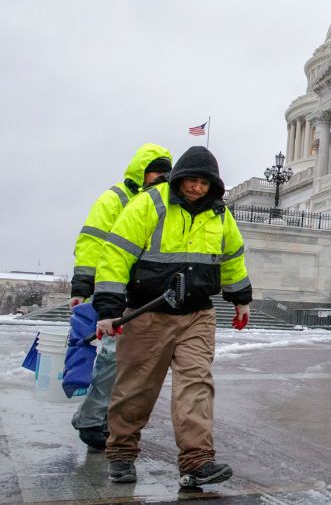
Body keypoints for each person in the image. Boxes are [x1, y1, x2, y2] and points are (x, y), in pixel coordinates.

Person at [92, 146, 252, 487]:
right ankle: (121, 453)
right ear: (179, 177)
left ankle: (197, 461)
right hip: (147, 314)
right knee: (137, 388)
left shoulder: (221, 215)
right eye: (191, 180)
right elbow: (116, 255)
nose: (196, 188)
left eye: (204, 183)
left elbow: (233, 259)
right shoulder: (149, 204)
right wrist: (108, 307)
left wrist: (241, 299)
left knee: (196, 386)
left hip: (197, 315)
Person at [69, 144, 173, 452]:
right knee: (114, 356)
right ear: (141, 172)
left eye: (167, 173)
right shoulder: (114, 199)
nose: (162, 178)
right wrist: (82, 288)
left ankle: (92, 415)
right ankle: (91, 420)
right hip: (112, 288)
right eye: (157, 172)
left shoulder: (160, 203)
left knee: (125, 360)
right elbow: (91, 241)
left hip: (141, 291)